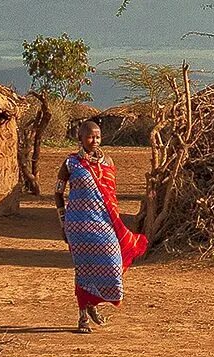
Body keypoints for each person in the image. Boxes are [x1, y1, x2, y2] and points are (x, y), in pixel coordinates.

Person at [55, 119, 148, 333]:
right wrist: (63, 222)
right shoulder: (70, 163)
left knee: (112, 264)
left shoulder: (108, 162)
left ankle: (93, 303)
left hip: (104, 222)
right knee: (84, 269)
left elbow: (111, 195)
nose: (94, 140)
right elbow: (58, 192)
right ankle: (82, 315)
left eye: (97, 136)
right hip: (78, 226)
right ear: (80, 138)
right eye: (89, 136)